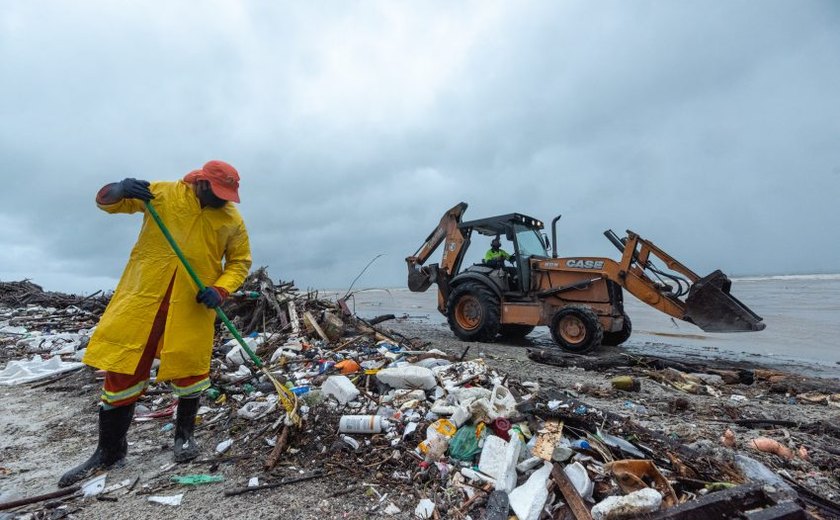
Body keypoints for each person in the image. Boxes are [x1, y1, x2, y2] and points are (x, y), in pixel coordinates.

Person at [58, 160, 252, 487]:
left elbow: (239, 262)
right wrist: (120, 188)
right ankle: (109, 451)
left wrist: (221, 289)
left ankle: (184, 438)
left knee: (191, 371)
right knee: (122, 369)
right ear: (201, 182)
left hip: (191, 305)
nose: (223, 200)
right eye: (218, 193)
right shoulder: (163, 193)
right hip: (144, 300)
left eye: (227, 195)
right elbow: (107, 203)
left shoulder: (231, 219)